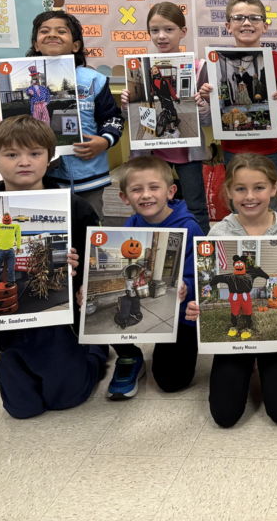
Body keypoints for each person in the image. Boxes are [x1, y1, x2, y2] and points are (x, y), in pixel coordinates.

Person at [0, 116, 108, 418]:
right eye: (11, 155)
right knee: (21, 409)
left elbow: (95, 263)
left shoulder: (76, 208)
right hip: (5, 331)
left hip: (60, 326)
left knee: (68, 398)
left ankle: (95, 350)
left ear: (49, 158)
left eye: (35, 153)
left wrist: (79, 272)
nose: (24, 162)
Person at [184, 153, 277, 427]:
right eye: (240, 189)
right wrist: (198, 305)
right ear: (229, 190)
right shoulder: (218, 234)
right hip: (233, 339)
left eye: (259, 187)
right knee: (225, 416)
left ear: (274, 188)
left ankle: (262, 365)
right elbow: (206, 282)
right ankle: (247, 362)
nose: (249, 196)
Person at [0, 11, 124, 221]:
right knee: (46, 220)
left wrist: (104, 141)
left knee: (90, 223)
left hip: (88, 174)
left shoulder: (94, 80)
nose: (52, 35)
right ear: (36, 44)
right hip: (41, 176)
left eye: (61, 31)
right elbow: (13, 127)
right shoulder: (20, 79)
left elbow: (112, 118)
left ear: (75, 45)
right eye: (44, 31)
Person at [98, 156, 204, 399]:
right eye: (137, 189)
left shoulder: (190, 228)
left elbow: (201, 276)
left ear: (170, 191)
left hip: (182, 317)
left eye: (154, 187)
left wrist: (186, 287)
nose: (146, 195)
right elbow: (125, 263)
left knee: (170, 381)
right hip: (143, 299)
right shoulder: (130, 225)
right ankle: (129, 356)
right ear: (125, 197)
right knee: (102, 314)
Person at [123, 3, 214, 233]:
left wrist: (201, 106)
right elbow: (135, 120)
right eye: (155, 30)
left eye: (169, 29)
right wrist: (127, 106)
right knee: (148, 204)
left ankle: (199, 253)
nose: (161, 36)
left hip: (188, 151)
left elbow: (206, 121)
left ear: (183, 32)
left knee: (196, 205)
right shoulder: (140, 69)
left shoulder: (198, 67)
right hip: (152, 151)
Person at [216, 0, 277, 213]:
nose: (247, 23)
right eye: (239, 18)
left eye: (254, 18)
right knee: (238, 197)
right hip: (234, 146)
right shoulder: (218, 60)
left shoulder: (276, 59)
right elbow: (216, 98)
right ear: (228, 26)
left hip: (269, 145)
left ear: (265, 26)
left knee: (272, 199)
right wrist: (207, 95)